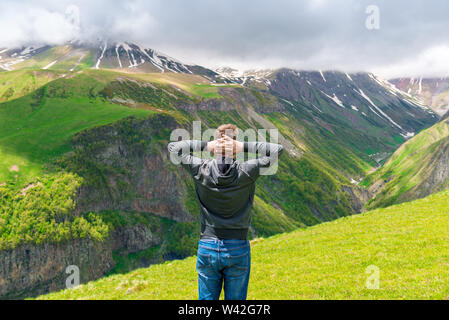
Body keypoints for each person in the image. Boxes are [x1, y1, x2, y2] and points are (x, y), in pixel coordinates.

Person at [167, 124, 284, 300]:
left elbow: (173, 148)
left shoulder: (200, 169)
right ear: (234, 149)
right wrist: (243, 146)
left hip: (207, 246)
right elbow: (277, 150)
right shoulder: (247, 171)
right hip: (238, 247)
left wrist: (206, 145)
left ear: (215, 147)